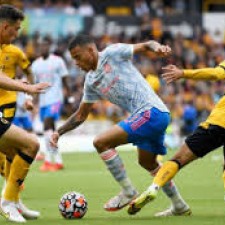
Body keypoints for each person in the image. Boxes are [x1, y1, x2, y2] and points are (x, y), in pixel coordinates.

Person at [50, 34, 191, 215]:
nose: (76, 63)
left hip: (151, 111)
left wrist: (157, 47)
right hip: (153, 116)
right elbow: (81, 115)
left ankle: (128, 190)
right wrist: (58, 132)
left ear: (91, 50)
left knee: (101, 142)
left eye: (78, 57)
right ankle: (179, 205)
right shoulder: (91, 82)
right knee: (147, 163)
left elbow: (146, 44)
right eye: (73, 59)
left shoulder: (112, 53)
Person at [128, 62, 225, 214]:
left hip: (219, 122)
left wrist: (183, 73)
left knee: (178, 160)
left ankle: (154, 187)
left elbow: (216, 74)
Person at [0, 5, 50, 223]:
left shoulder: (7, 49)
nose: (17, 34)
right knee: (31, 144)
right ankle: (7, 202)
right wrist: (27, 89)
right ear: (4, 27)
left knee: (14, 152)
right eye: (16, 29)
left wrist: (21, 86)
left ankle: (14, 201)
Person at [32, 37, 71, 172]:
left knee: (47, 124)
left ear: (49, 47)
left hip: (55, 99)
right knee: (50, 131)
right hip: (43, 101)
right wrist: (34, 101)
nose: (43, 48)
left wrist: (69, 98)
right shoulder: (35, 64)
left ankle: (48, 160)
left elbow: (65, 78)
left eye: (45, 46)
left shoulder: (57, 61)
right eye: (40, 46)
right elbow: (35, 85)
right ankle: (59, 161)